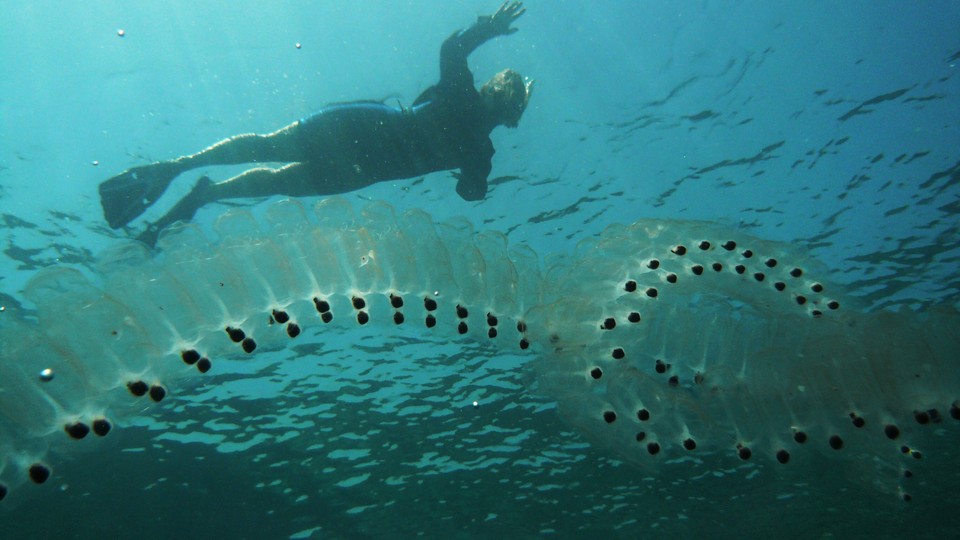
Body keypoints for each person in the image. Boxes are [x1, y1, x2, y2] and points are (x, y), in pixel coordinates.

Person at [98, 2, 532, 246]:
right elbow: (470, 191)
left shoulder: (475, 134)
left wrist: (489, 29)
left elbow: (452, 49)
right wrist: (489, 28)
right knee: (271, 158)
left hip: (361, 148)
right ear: (511, 115)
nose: (500, 98)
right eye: (505, 92)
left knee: (275, 170)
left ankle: (197, 185)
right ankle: (187, 178)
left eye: (506, 94)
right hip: (361, 142)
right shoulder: (473, 129)